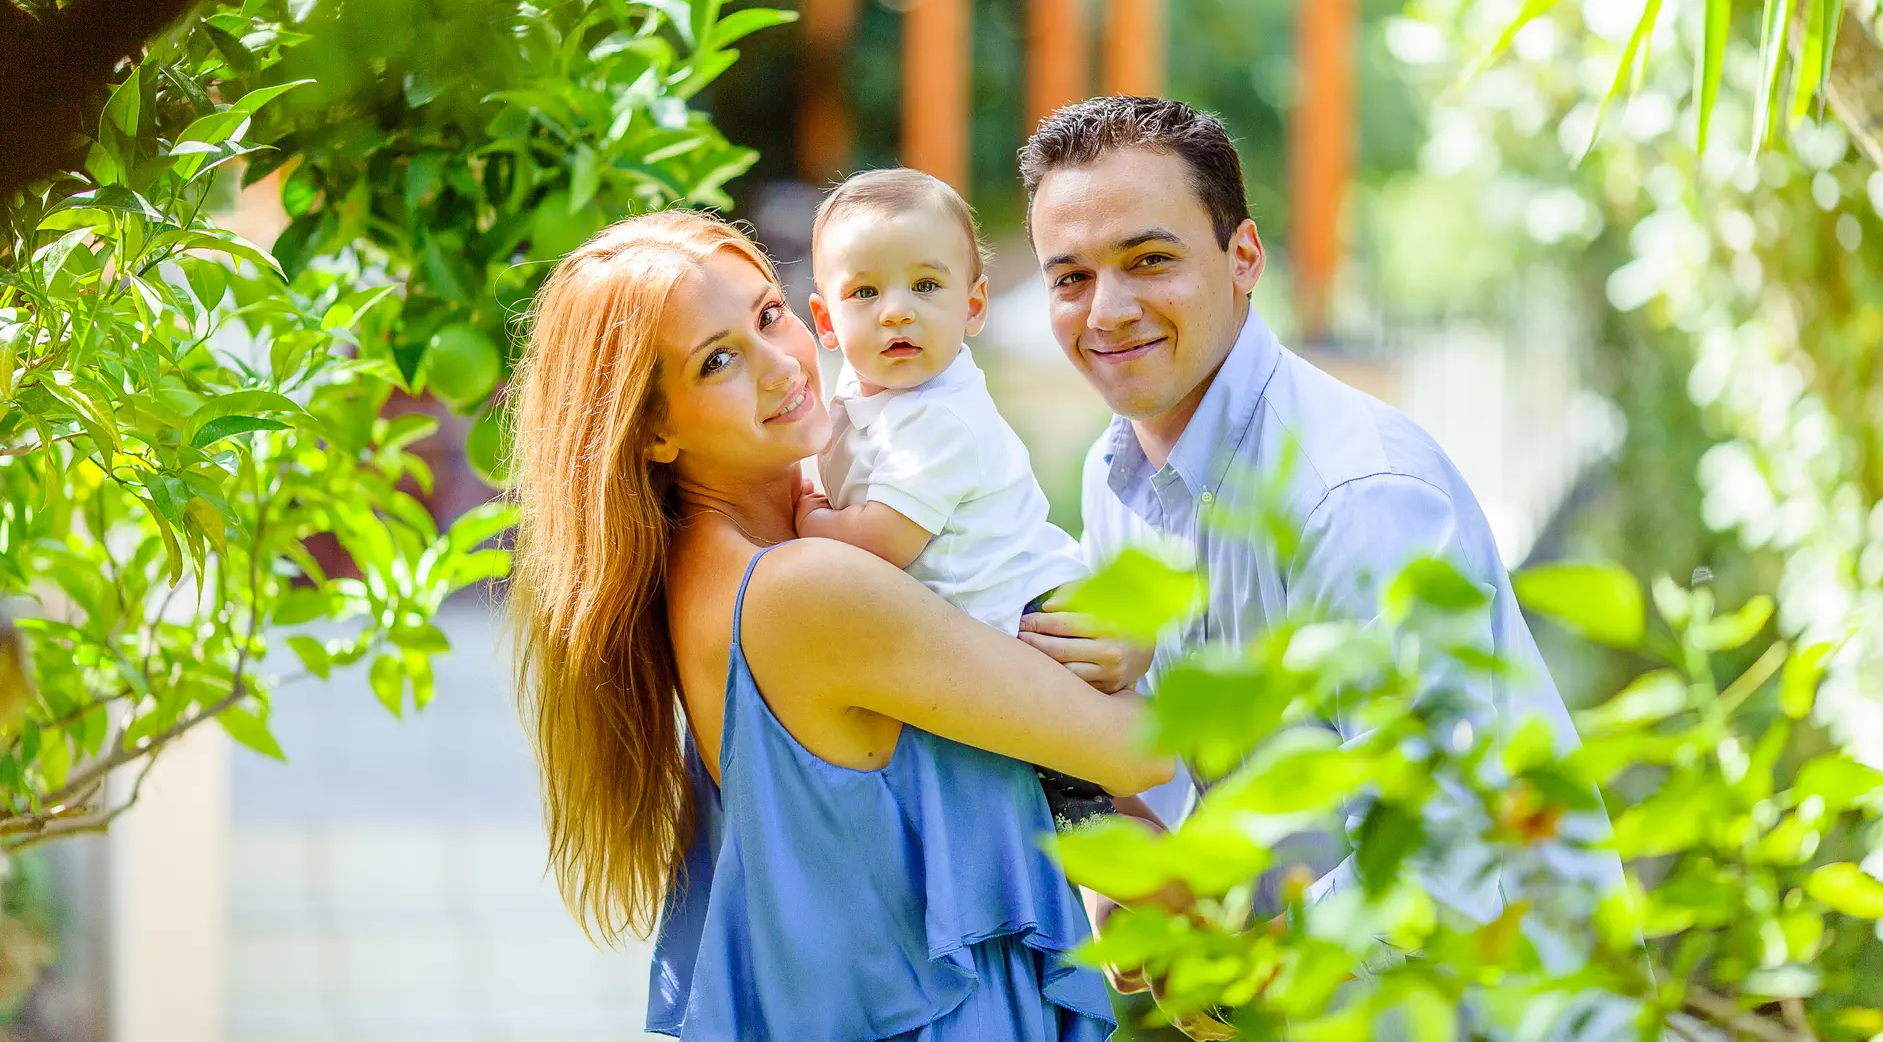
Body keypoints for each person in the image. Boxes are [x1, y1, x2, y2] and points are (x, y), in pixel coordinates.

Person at [506, 210, 1170, 1041]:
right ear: (654, 429)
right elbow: (1140, 748)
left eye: (767, 315)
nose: (780, 364)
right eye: (717, 360)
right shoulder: (803, 588)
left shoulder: (733, 563)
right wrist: (1133, 638)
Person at [1015, 97, 1623, 939]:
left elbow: (1443, 849)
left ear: (1244, 257)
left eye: (1149, 260)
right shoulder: (1111, 475)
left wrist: (1248, 972)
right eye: (1070, 278)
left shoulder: (1354, 490)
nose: (1106, 310)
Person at [794, 167, 1116, 831]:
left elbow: (883, 540)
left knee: (1081, 806)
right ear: (826, 319)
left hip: (1031, 626)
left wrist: (810, 517)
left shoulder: (939, 417)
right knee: (1057, 803)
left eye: (925, 285)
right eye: (864, 291)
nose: (896, 311)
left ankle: (1194, 885)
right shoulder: (864, 392)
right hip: (979, 630)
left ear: (973, 306)